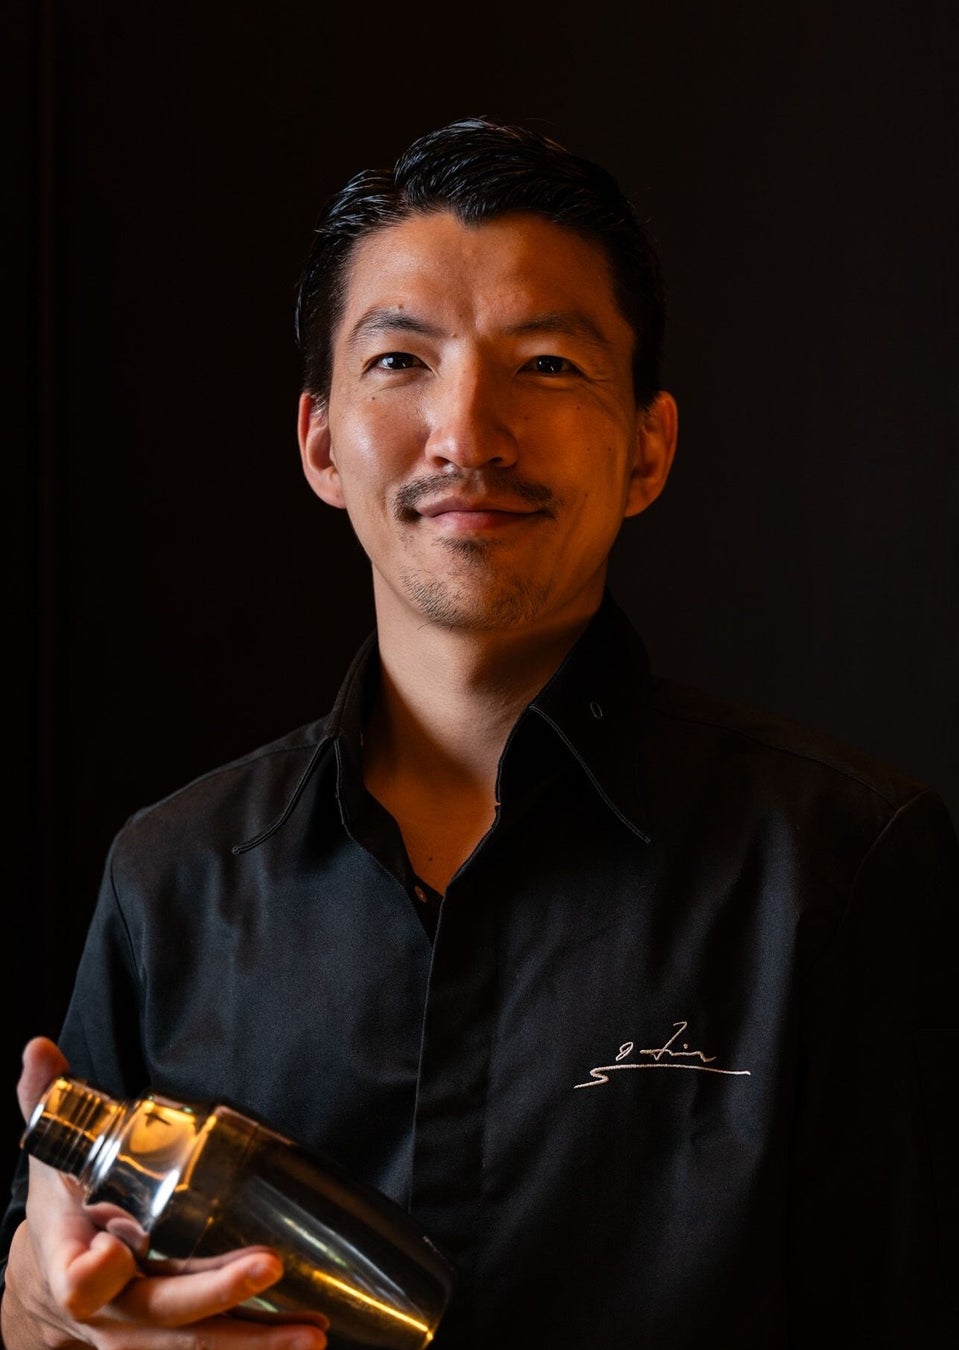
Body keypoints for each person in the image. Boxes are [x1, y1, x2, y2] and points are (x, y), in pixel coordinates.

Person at [1, 116, 956, 1350]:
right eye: (400, 361)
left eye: (546, 364)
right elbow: (49, 1284)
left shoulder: (845, 865)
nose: (466, 434)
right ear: (319, 443)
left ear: (648, 448)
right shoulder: (171, 878)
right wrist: (40, 1307)